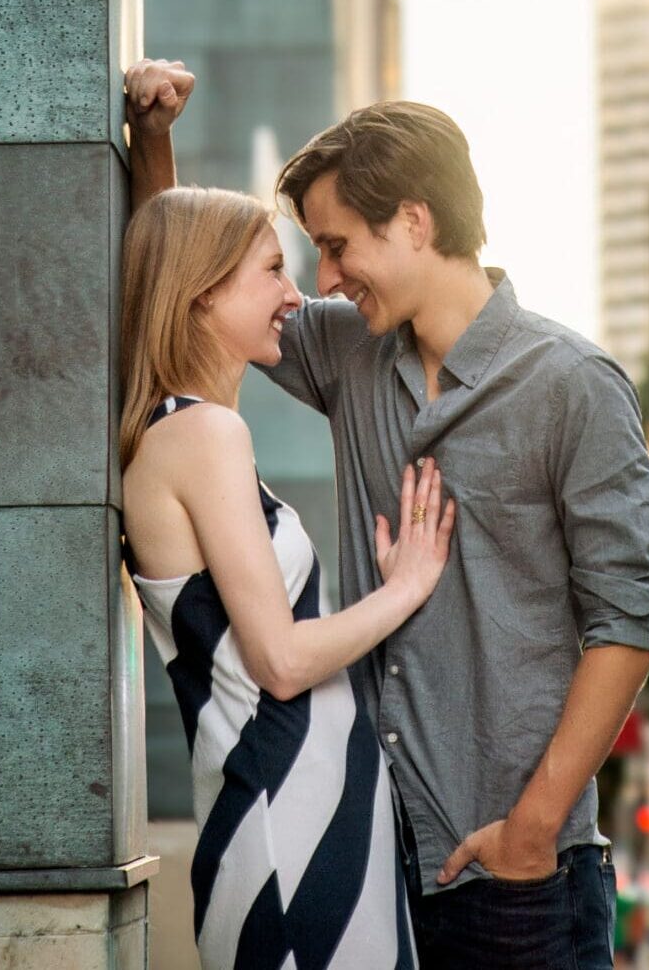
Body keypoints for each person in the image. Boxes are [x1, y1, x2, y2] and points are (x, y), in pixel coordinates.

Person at [125, 59, 649, 969]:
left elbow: (632, 616)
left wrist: (533, 829)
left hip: (514, 871)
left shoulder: (573, 386)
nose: (326, 278)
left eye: (338, 246)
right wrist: (154, 143)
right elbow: (194, 292)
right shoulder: (353, 353)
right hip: (375, 854)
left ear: (415, 222)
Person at [119, 124, 457, 965]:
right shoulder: (204, 437)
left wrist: (152, 142)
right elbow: (279, 662)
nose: (298, 295)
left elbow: (164, 246)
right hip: (288, 822)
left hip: (302, 814)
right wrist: (405, 588)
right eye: (273, 269)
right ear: (203, 294)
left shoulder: (185, 432)